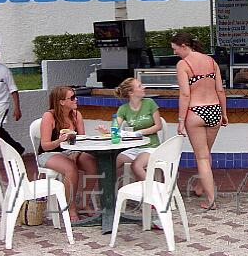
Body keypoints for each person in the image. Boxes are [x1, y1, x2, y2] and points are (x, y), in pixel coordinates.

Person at [171, 32, 228, 210]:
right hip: (214, 110)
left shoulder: (183, 64)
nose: (174, 53)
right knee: (206, 154)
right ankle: (200, 187)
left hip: (195, 111)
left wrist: (180, 120)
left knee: (202, 157)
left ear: (184, 46)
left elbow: (185, 94)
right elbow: (220, 91)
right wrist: (224, 113)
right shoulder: (212, 62)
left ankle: (211, 201)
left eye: (175, 49)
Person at [38, 86, 98, 222]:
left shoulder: (76, 114)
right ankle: (70, 208)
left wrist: (77, 153)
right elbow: (45, 145)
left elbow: (82, 139)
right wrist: (60, 140)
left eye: (75, 96)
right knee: (71, 168)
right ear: (61, 102)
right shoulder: (49, 116)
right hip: (50, 153)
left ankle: (84, 202)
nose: (75, 99)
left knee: (91, 163)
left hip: (71, 150)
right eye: (72, 98)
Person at [98, 78, 163, 180]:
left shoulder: (150, 103)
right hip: (133, 148)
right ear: (131, 92)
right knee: (110, 164)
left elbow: (158, 126)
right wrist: (107, 132)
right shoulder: (123, 109)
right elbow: (115, 128)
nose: (144, 87)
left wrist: (139, 132)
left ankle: (152, 192)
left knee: (136, 166)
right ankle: (107, 193)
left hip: (151, 147)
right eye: (139, 86)